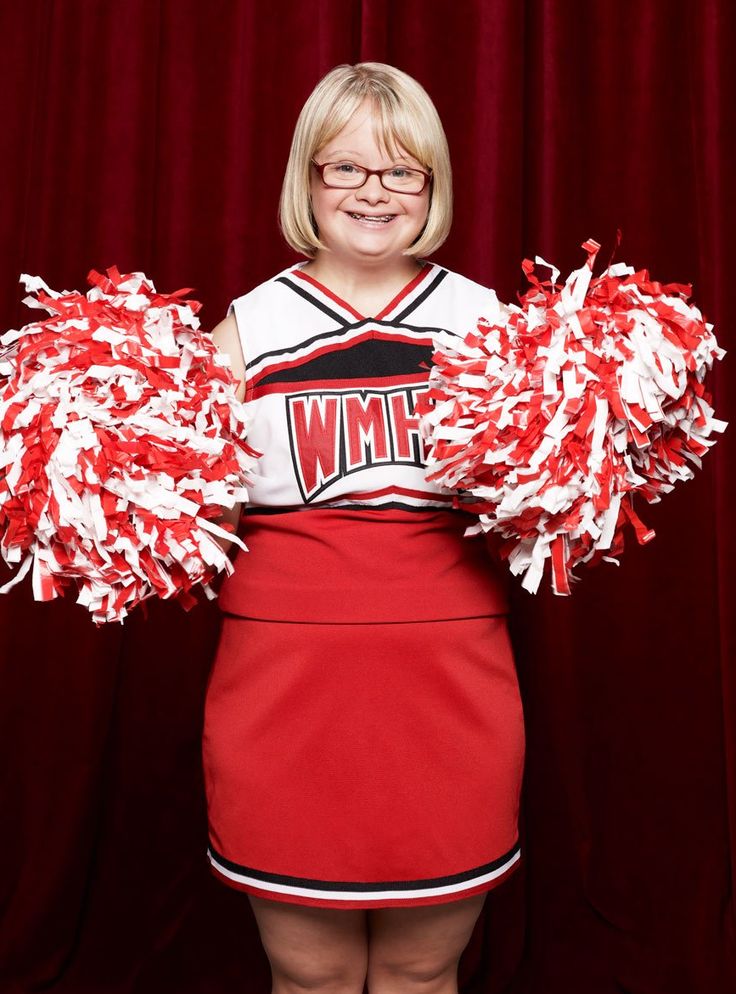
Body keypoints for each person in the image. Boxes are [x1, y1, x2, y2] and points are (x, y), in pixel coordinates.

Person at [202, 62, 526, 994]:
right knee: (307, 971)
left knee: (426, 968)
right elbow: (197, 527)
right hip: (284, 681)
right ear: (308, 179)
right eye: (345, 169)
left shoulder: (487, 325)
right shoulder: (242, 332)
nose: (373, 194)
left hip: (449, 679)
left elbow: (535, 519)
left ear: (433, 186)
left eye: (402, 172)